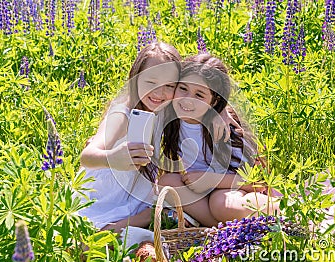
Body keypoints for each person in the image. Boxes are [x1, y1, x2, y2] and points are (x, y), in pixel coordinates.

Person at [77, 43, 239, 233]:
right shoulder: (122, 114)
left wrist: (221, 110)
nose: (159, 93)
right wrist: (112, 157)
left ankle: (226, 230)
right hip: (104, 196)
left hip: (137, 198)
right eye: (150, 82)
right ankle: (145, 219)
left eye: (169, 86)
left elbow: (201, 91)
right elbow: (87, 155)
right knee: (93, 241)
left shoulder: (167, 107)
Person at [158, 54, 279, 227]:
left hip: (237, 188)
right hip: (203, 188)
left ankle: (287, 212)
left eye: (199, 95)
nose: (187, 99)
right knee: (167, 183)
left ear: (214, 101)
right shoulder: (171, 119)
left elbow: (257, 182)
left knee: (220, 204)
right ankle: (225, 231)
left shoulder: (223, 128)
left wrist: (212, 180)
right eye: (183, 88)